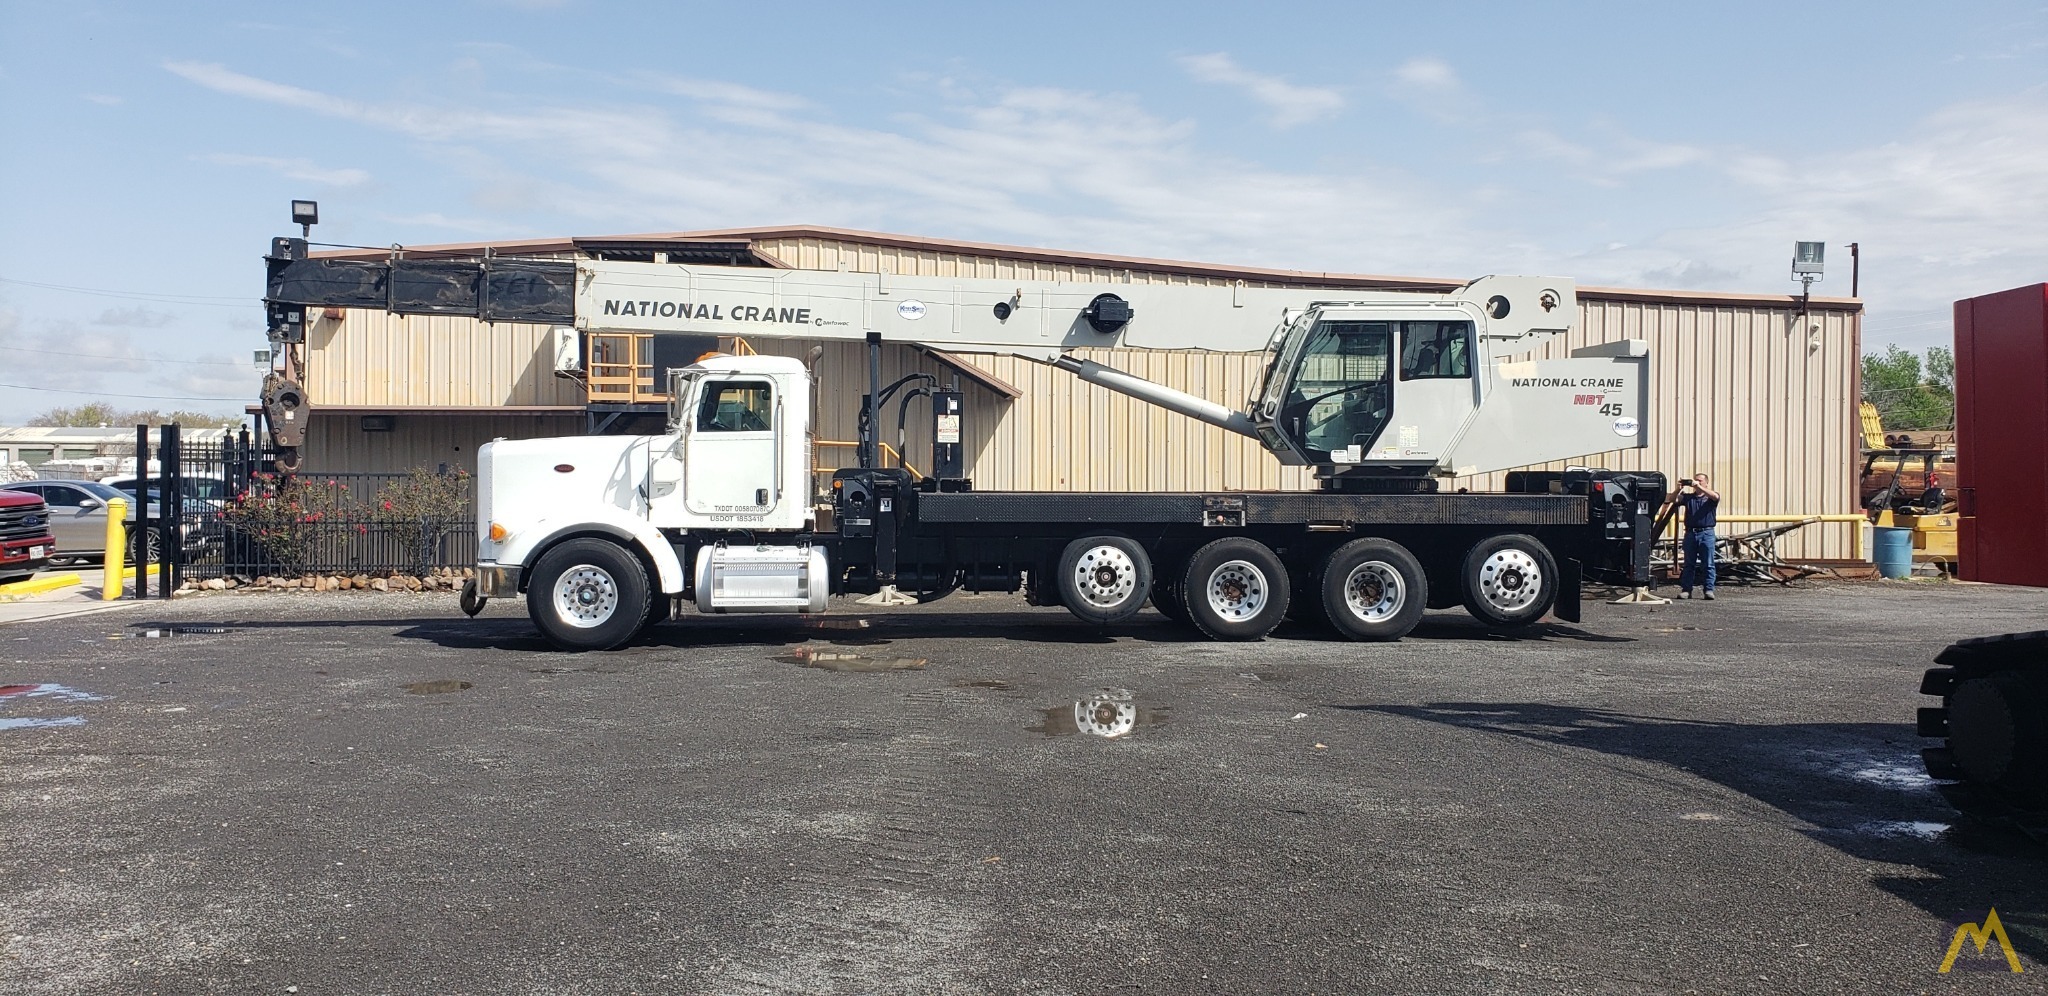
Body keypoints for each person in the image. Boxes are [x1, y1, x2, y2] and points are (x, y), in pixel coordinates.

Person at [1662, 472, 1721, 599]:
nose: (1697, 483)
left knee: (1708, 563)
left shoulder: (1709, 498)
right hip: (1691, 533)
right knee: (1689, 564)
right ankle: (1686, 589)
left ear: (1706, 482)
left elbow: (1715, 496)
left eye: (1700, 481)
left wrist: (1700, 488)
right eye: (1695, 481)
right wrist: (1679, 488)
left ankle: (1709, 590)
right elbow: (1672, 499)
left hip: (1707, 533)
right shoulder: (1688, 498)